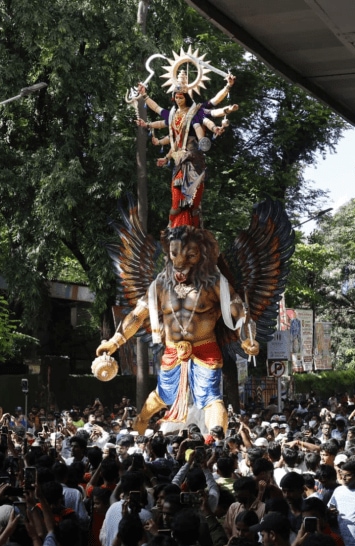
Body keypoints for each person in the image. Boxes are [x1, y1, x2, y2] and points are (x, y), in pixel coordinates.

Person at [95, 225, 258, 434]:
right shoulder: (160, 284)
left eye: (190, 255)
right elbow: (137, 315)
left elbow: (239, 310)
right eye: (174, 254)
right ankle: (139, 430)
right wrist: (115, 341)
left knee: (211, 399)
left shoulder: (215, 283)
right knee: (160, 397)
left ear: (202, 254)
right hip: (173, 352)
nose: (180, 262)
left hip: (205, 350)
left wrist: (246, 338)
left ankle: (216, 442)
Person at [136, 68, 238, 228]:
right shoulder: (171, 115)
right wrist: (144, 96)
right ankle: (173, 227)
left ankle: (194, 226)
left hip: (193, 156)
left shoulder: (196, 111)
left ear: (186, 97)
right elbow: (156, 110)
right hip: (178, 158)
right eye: (176, 97)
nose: (178, 100)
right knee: (176, 201)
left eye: (181, 97)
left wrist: (228, 88)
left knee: (194, 197)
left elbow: (214, 105)